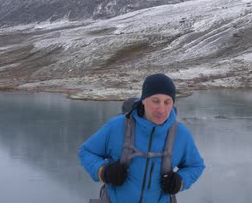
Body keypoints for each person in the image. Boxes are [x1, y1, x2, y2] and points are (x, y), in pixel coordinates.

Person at [79, 73, 205, 203]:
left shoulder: (181, 134)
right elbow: (86, 152)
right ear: (143, 100)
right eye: (155, 101)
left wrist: (180, 181)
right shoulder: (116, 126)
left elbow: (196, 166)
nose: (161, 109)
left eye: (167, 102)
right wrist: (103, 171)